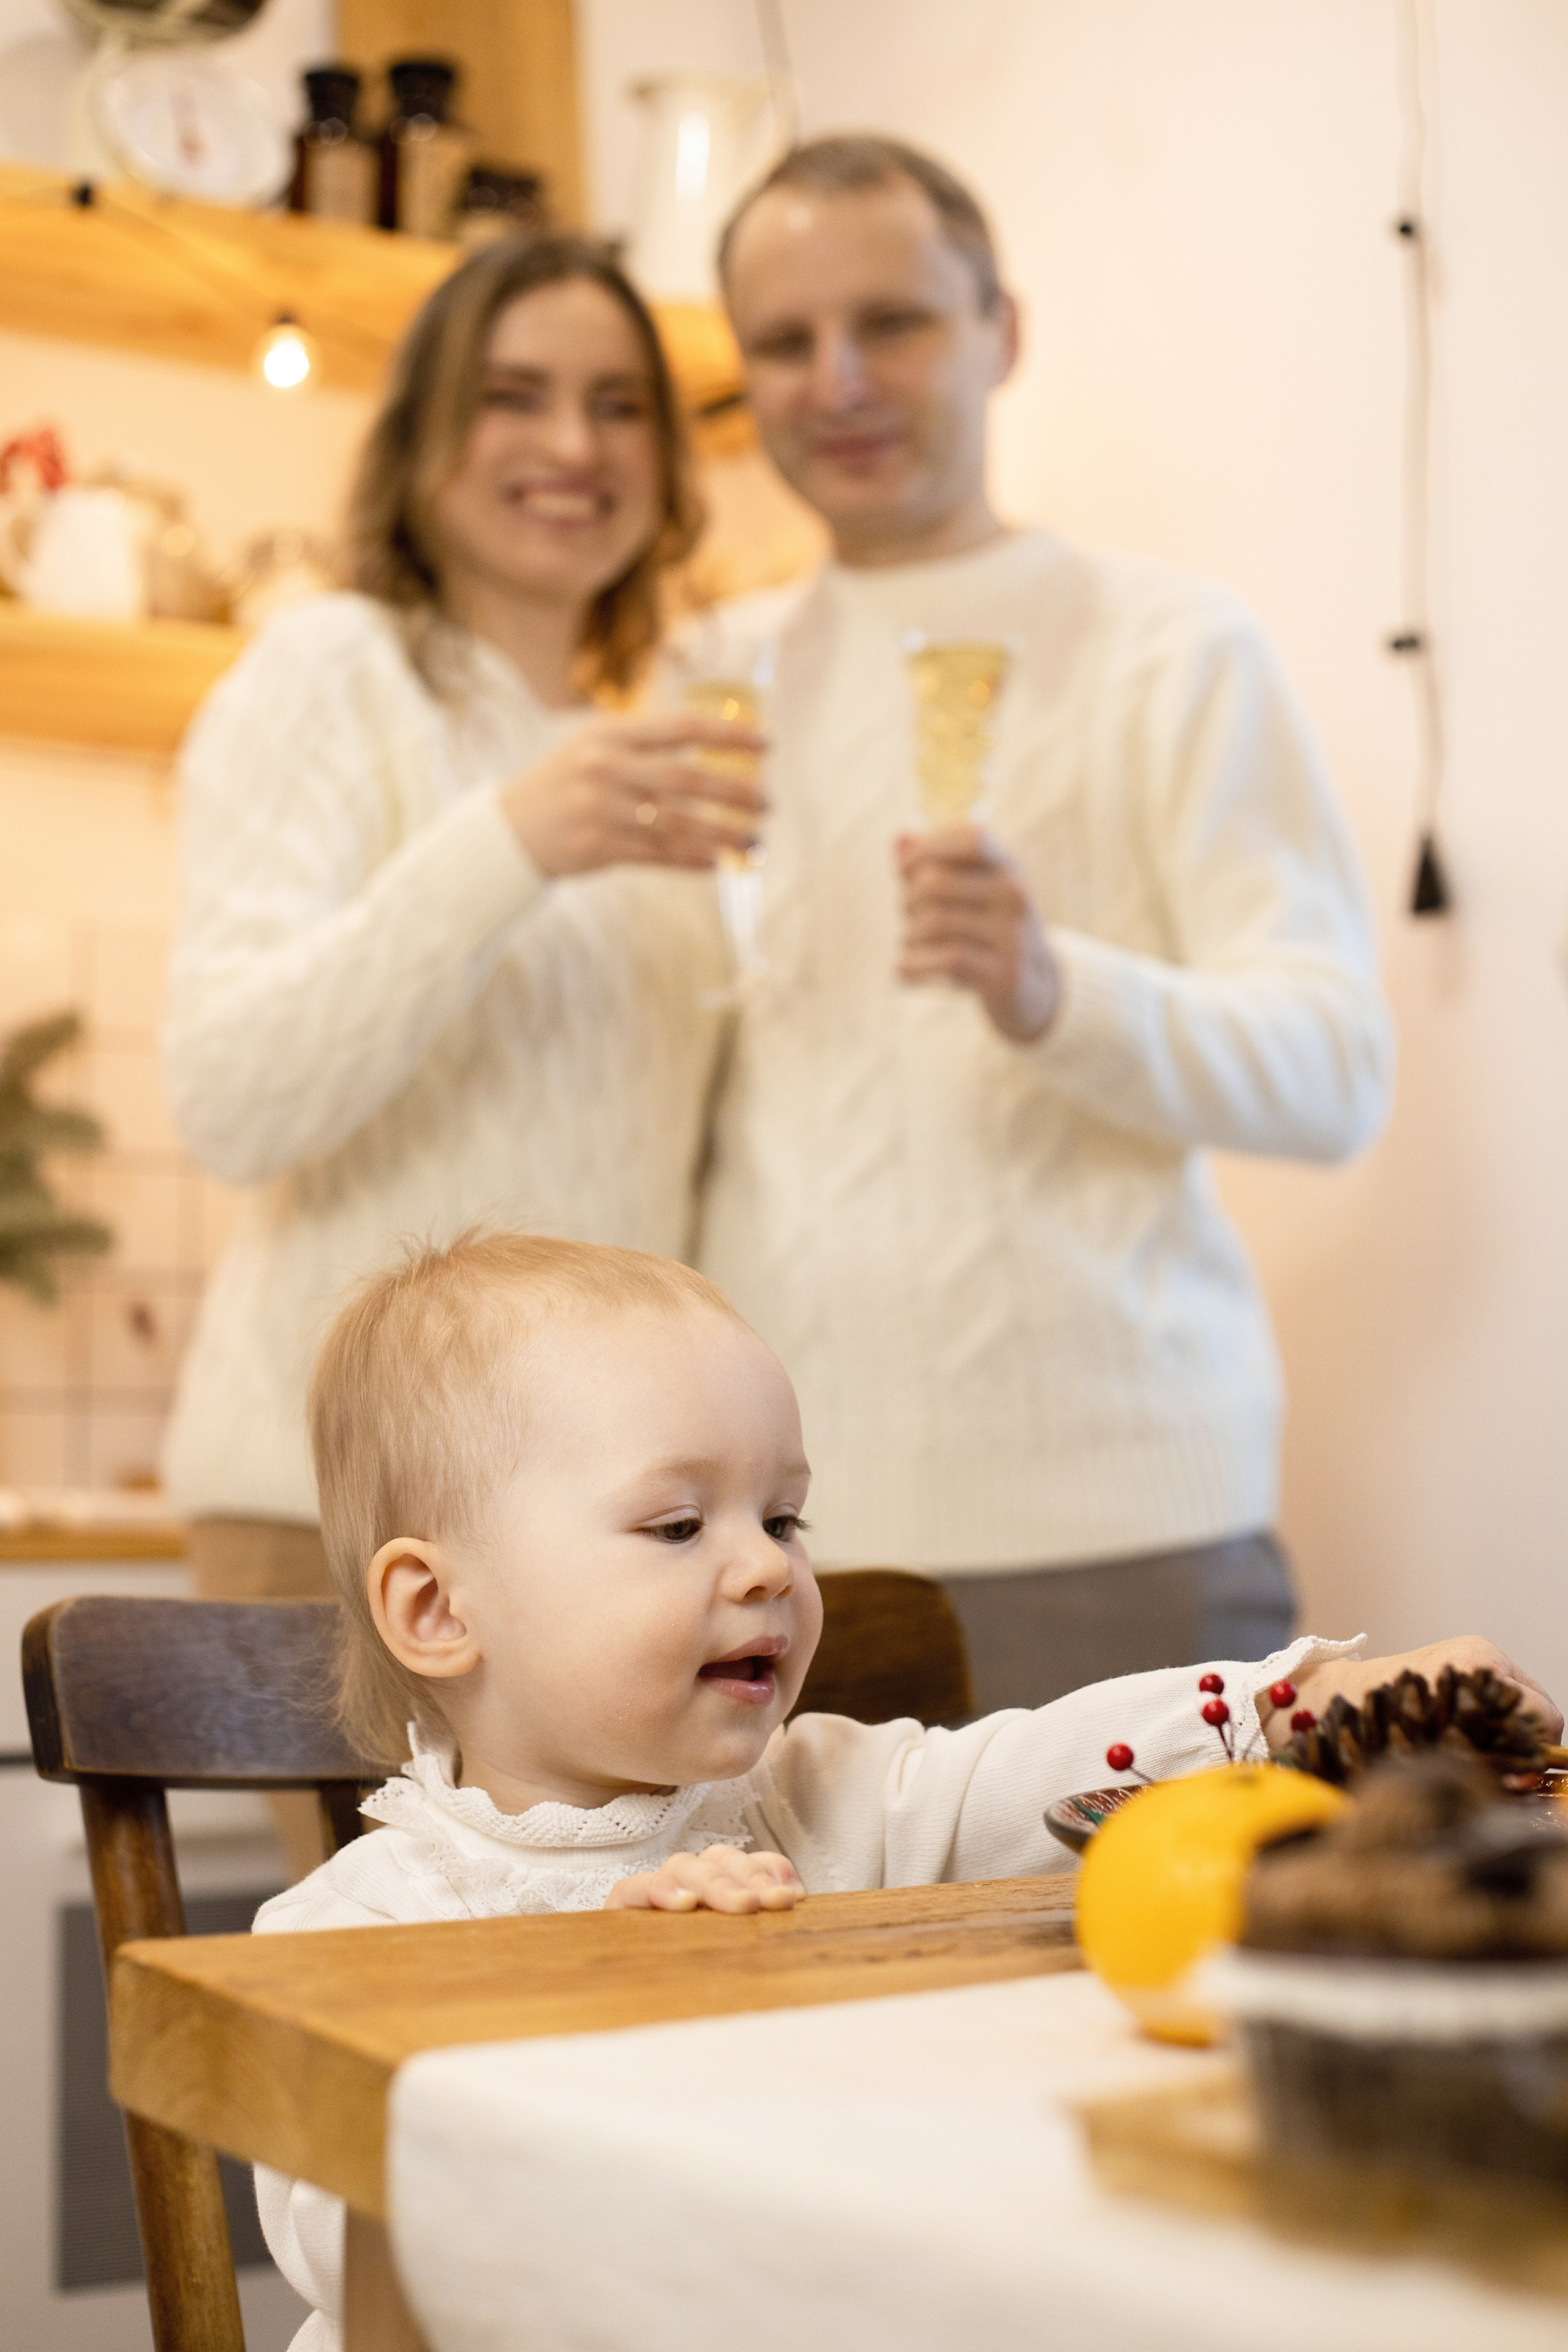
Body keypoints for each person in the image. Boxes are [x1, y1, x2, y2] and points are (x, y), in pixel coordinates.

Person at [253, 1229, 1558, 2352]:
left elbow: (1040, 1762)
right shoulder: (346, 1936)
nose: (765, 1568)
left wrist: (1296, 1713)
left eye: (783, 1517)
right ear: (436, 1608)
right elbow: (360, 2249)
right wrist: (609, 1989)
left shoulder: (821, 1793)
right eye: (675, 1526)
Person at [688, 136, 1398, 1709]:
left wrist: (1044, 987)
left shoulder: (1168, 650)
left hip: (1117, 1524)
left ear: (1002, 330)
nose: (839, 379)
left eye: (894, 322)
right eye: (784, 343)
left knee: (1155, 1960)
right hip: (772, 1553)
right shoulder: (704, 677)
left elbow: (1333, 1069)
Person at [159, 236, 762, 1875]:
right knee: (411, 2031)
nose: (572, 446)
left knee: (595, 2018)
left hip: (608, 1530)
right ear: (425, 435)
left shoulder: (675, 724)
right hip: (343, 1499)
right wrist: (510, 840)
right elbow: (229, 1092)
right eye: (515, 397)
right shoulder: (325, 675)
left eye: (619, 405)